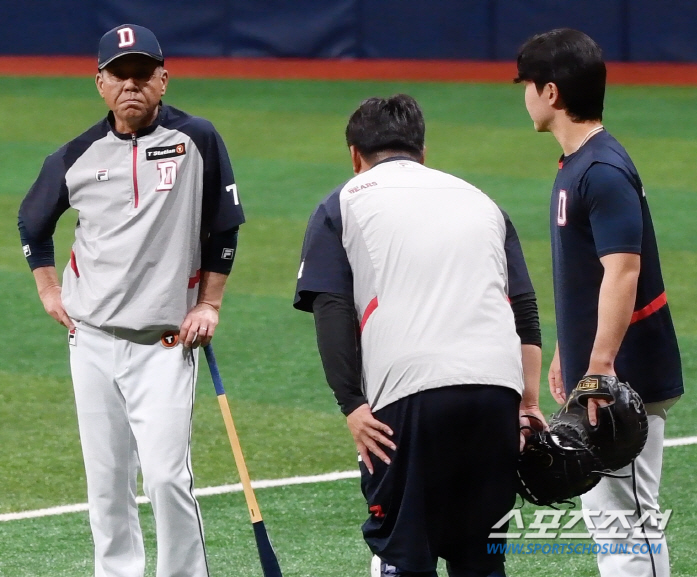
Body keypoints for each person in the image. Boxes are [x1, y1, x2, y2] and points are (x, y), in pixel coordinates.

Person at [18, 24, 244, 577]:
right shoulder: (75, 156)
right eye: (120, 75)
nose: (132, 86)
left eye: (143, 75)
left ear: (164, 80)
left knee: (168, 478)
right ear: (100, 83)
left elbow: (225, 228)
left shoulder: (198, 140)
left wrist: (208, 304)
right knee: (107, 483)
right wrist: (48, 287)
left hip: (164, 345)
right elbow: (32, 223)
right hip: (90, 342)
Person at [293, 94, 543, 577]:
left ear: (354, 155)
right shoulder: (483, 202)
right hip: (496, 394)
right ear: (422, 151)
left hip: (408, 401)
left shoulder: (341, 204)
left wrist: (352, 405)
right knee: (482, 560)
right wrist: (527, 404)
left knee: (406, 558)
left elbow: (332, 310)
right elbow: (524, 309)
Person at [515, 28, 683, 577]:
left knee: (627, 516)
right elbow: (588, 276)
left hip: (624, 371)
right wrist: (572, 349)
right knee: (607, 514)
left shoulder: (602, 170)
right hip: (604, 365)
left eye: (529, 85)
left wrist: (602, 370)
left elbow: (622, 271)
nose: (525, 96)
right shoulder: (580, 164)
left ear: (553, 93)